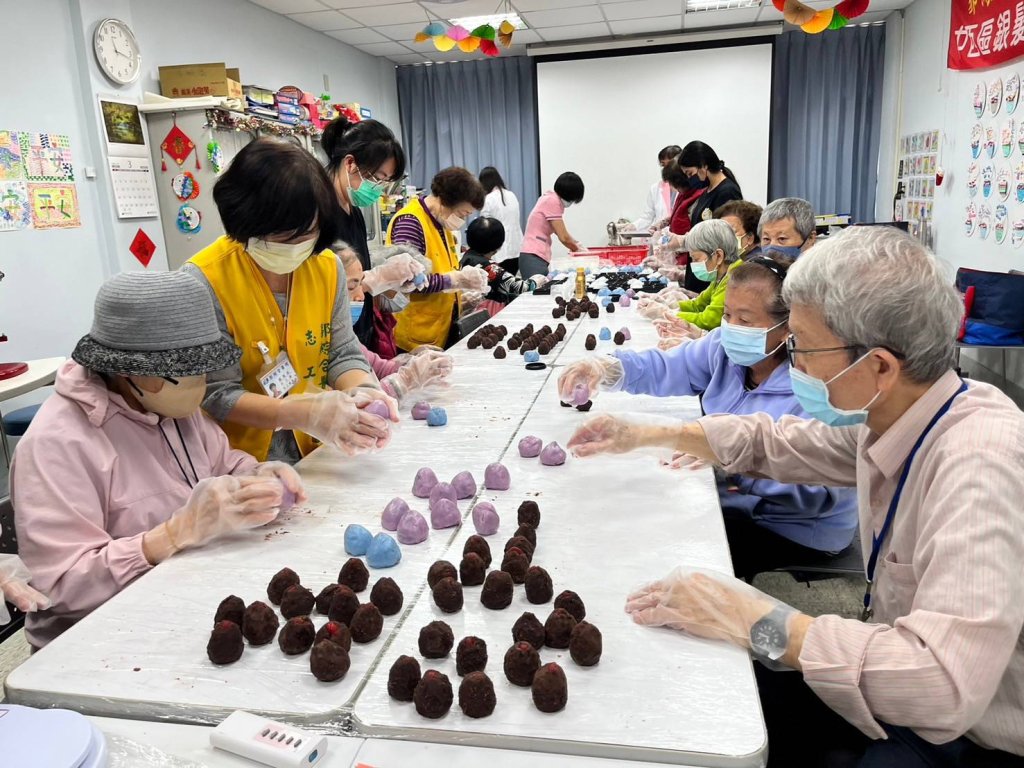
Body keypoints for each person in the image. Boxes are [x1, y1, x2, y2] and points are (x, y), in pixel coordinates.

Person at [568, 227, 1024, 767]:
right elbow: (781, 441)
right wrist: (649, 434)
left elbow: (940, 684)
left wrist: (761, 619)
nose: (794, 361)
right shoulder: (900, 414)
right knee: (722, 694)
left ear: (878, 364)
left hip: (967, 738)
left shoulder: (978, 462)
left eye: (804, 346)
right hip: (901, 680)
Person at [11, 272, 303, 649]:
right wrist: (169, 536)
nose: (198, 382)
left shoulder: (173, 406)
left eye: (203, 368)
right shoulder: (57, 445)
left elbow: (222, 461)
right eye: (184, 371)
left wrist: (258, 475)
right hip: (97, 641)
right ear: (125, 368)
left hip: (184, 604)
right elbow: (60, 586)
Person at [557, 257, 856, 580]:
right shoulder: (723, 350)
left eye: (746, 319)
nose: (731, 327)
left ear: (787, 328)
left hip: (793, 527)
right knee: (640, 507)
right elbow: (668, 367)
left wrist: (728, 463)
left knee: (671, 543)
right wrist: (609, 368)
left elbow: (818, 494)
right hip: (736, 499)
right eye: (727, 315)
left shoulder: (811, 387)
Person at [182, 138, 398, 465]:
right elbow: (216, 394)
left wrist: (364, 390)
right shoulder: (205, 280)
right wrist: (297, 413)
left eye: (309, 233)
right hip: (240, 462)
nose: (300, 246)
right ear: (246, 223)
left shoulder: (326, 267)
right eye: (286, 237)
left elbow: (341, 350)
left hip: (315, 449)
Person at [321, 116, 413, 355]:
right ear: (350, 163)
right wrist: (378, 277)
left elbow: (358, 273)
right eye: (377, 179)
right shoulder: (320, 213)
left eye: (385, 182)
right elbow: (323, 285)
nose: (378, 189)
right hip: (332, 338)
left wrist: (390, 282)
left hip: (361, 333)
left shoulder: (354, 211)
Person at [387, 167, 490, 350]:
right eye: (462, 214)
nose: (462, 220)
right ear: (444, 201)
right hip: (415, 336)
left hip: (440, 330)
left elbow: (441, 269)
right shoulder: (411, 223)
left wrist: (460, 298)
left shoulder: (441, 224)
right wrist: (455, 280)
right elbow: (407, 282)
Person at [338, 246, 455, 402]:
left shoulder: (345, 337)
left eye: (361, 285)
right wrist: (407, 379)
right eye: (352, 287)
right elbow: (351, 402)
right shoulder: (315, 340)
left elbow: (377, 367)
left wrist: (410, 362)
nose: (361, 296)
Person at [644, 219, 742, 346]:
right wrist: (672, 305)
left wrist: (668, 314)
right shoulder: (720, 277)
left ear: (718, 256)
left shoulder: (735, 280)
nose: (693, 264)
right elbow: (698, 304)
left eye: (696, 258)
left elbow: (708, 320)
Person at [669, 142, 743, 293]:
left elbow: (724, 237)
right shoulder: (706, 191)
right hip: (699, 267)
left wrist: (684, 241)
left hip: (713, 269)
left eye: (690, 173)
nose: (690, 179)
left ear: (703, 166)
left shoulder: (727, 192)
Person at [459, 217, 548, 315]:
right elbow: (521, 288)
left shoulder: (465, 257)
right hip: (487, 315)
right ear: (498, 244)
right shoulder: (489, 268)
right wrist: (538, 279)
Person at [520, 172, 585, 281]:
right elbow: (563, 237)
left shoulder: (550, 198)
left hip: (535, 255)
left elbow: (561, 231)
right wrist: (578, 250)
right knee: (537, 293)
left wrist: (576, 243)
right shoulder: (552, 201)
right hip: (533, 256)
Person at [479, 167, 523, 275]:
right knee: (510, 284)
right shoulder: (511, 195)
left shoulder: (489, 199)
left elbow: (484, 226)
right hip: (517, 248)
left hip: (499, 251)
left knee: (500, 286)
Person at [632, 145, 682, 232]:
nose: (666, 170)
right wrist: (632, 226)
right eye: (663, 165)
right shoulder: (655, 189)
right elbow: (647, 217)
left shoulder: (688, 187)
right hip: (661, 239)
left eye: (669, 165)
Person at [758, 197, 817, 264]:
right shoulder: (755, 271)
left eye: (782, 239)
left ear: (810, 238)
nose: (772, 246)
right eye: (766, 239)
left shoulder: (825, 272)